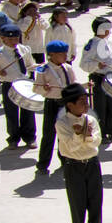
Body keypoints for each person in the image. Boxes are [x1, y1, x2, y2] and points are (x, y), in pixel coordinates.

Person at [56, 83, 103, 223]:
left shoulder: (90, 119)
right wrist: (78, 136)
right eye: (82, 101)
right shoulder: (62, 123)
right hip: (73, 165)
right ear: (70, 105)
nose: (86, 104)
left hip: (92, 163)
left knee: (95, 197)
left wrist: (86, 136)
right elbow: (70, 147)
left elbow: (96, 141)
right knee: (77, 200)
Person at [0, 23, 38, 148]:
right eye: (10, 39)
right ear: (3, 39)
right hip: (9, 84)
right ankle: (13, 138)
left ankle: (29, 137)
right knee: (11, 113)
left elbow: (29, 65)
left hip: (24, 84)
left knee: (28, 111)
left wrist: (37, 67)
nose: (13, 42)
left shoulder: (25, 49)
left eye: (16, 39)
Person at [33, 39, 77, 174]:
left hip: (65, 104)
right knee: (48, 134)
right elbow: (36, 89)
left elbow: (73, 84)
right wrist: (44, 89)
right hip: (52, 103)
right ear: (51, 54)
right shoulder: (44, 70)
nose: (65, 56)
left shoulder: (67, 68)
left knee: (65, 134)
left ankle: (65, 159)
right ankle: (43, 164)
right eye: (62, 54)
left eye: (65, 53)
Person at [79, 16, 112, 146]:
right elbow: (84, 64)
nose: (109, 32)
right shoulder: (92, 44)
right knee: (100, 107)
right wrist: (97, 66)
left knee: (111, 106)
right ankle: (101, 133)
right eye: (107, 29)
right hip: (98, 78)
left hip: (110, 78)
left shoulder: (107, 43)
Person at [19, 1, 46, 68]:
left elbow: (46, 27)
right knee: (30, 68)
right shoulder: (22, 21)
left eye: (34, 10)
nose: (33, 12)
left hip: (39, 48)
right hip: (28, 49)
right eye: (30, 10)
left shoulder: (38, 20)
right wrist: (29, 18)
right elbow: (23, 29)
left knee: (41, 68)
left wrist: (40, 18)